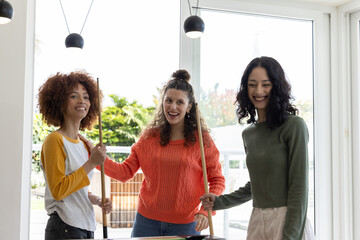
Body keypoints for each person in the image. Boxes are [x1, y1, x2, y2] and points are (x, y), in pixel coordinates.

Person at [81, 69, 225, 237]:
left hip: (187, 223)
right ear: (162, 102)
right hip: (146, 221)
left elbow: (217, 181)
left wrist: (205, 211)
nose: (173, 107)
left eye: (180, 102)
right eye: (168, 100)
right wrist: (95, 157)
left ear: (189, 107)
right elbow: (125, 172)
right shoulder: (149, 137)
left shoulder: (202, 140)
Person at [200, 56, 315, 240]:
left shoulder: (294, 126)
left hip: (288, 221)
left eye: (266, 84)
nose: (258, 91)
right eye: (252, 84)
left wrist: (290, 236)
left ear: (276, 87)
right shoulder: (249, 134)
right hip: (256, 220)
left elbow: (299, 188)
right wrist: (219, 202)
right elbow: (256, 186)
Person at [38, 71, 112, 239]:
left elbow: (78, 190)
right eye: (74, 96)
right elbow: (58, 190)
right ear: (59, 102)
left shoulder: (83, 144)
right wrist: (92, 163)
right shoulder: (54, 140)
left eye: (86, 97)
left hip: (85, 226)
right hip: (65, 227)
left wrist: (97, 200)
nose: (82, 101)